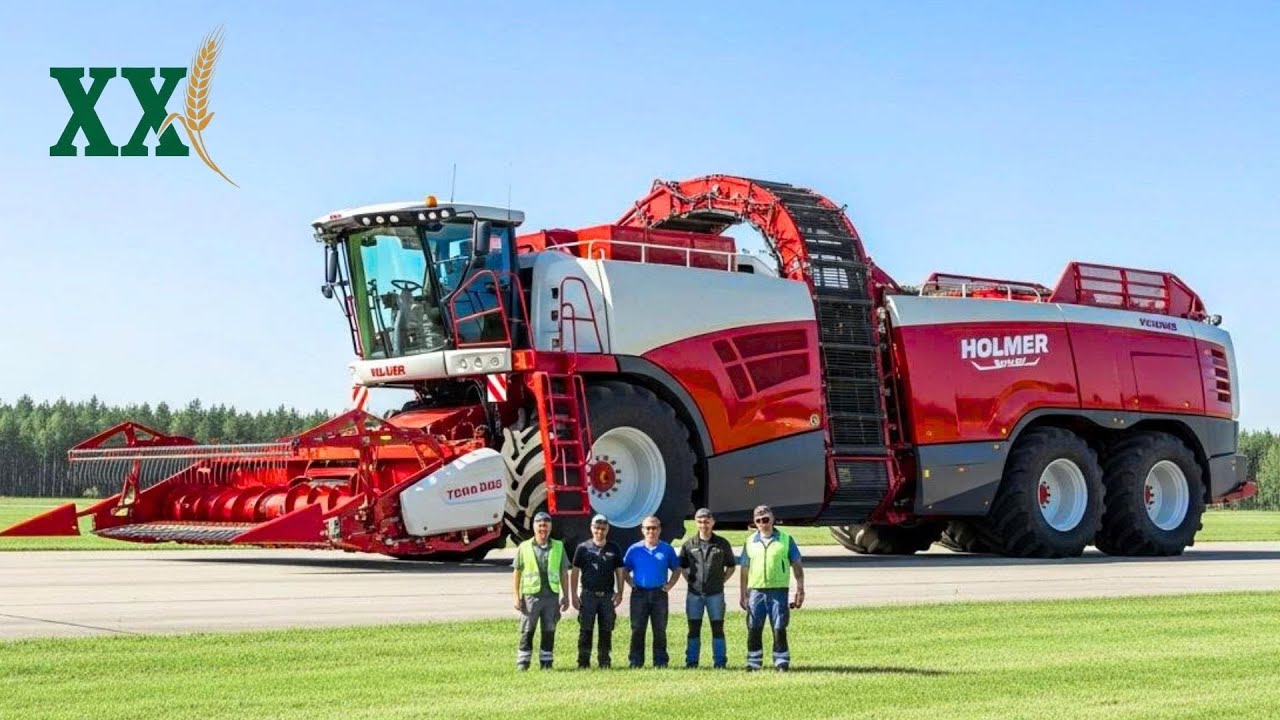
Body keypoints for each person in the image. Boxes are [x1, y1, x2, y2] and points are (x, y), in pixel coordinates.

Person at [738, 504, 804, 671]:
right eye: (758, 520)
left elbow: (796, 564)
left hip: (778, 590)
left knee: (779, 626)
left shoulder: (786, 539)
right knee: (754, 627)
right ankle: (754, 662)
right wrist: (743, 594)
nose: (763, 523)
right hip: (756, 591)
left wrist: (800, 589)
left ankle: (781, 661)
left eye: (766, 519)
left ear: (773, 519)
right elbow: (744, 569)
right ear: (754, 522)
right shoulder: (750, 542)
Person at [512, 511, 571, 670]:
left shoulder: (558, 547)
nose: (543, 529)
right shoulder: (524, 547)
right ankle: (523, 663)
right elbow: (517, 572)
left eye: (546, 525)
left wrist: (566, 596)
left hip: (551, 597)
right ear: (534, 527)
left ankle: (546, 663)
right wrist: (516, 596)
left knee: (549, 629)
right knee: (527, 629)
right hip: (531, 597)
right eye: (540, 525)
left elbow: (564, 573)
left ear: (550, 528)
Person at [678, 507, 736, 668]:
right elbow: (682, 566)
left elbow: (731, 566)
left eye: (706, 521)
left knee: (717, 629)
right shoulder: (689, 545)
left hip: (715, 594)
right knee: (693, 629)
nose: (704, 525)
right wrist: (690, 580)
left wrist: (721, 581)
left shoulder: (722, 544)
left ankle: (720, 662)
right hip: (694, 595)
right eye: (700, 521)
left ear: (712, 522)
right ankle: (691, 662)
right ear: (696, 523)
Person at [622, 515, 681, 668]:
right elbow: (624, 569)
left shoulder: (666, 549)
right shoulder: (634, 549)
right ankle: (635, 661)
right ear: (642, 530)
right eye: (648, 528)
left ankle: (660, 661)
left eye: (654, 528)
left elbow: (676, 569)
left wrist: (670, 585)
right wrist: (630, 583)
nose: (651, 531)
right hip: (639, 594)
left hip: (659, 594)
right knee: (637, 629)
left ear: (659, 530)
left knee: (660, 629)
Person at [569, 513, 625, 668]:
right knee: (585, 630)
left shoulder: (614, 548)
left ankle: (604, 661)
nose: (599, 531)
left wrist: (620, 592)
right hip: (588, 596)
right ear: (591, 528)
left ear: (607, 529)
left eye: (603, 528)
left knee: (606, 630)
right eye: (597, 528)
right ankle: (583, 662)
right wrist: (573, 595)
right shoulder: (583, 548)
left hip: (607, 596)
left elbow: (620, 571)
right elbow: (574, 572)